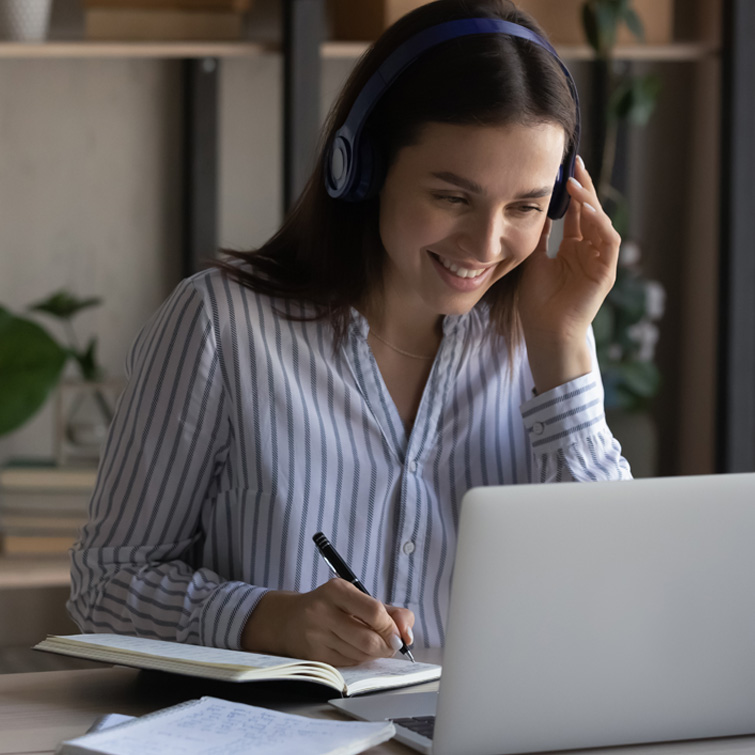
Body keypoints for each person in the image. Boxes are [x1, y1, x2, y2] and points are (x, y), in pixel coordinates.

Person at [68, 0, 631, 667]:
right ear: (360, 168)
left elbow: (618, 595)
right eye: (452, 196)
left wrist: (564, 343)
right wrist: (265, 620)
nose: (485, 242)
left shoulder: (543, 349)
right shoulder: (221, 326)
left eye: (525, 206)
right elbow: (103, 586)